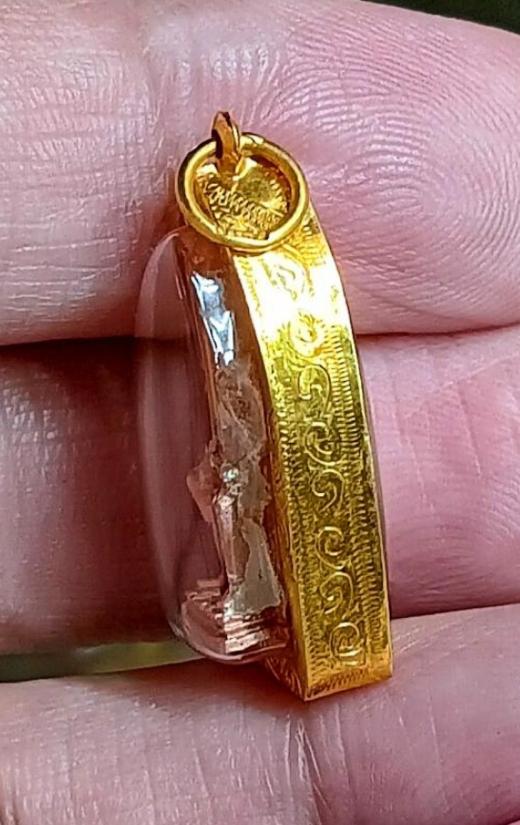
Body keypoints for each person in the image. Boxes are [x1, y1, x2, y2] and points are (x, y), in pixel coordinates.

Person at [1, 1, 519, 822]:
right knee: (226, 504)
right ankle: (258, 595)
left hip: (285, 530)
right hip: (251, 520)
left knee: (239, 511)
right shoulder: (193, 310)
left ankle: (268, 597)